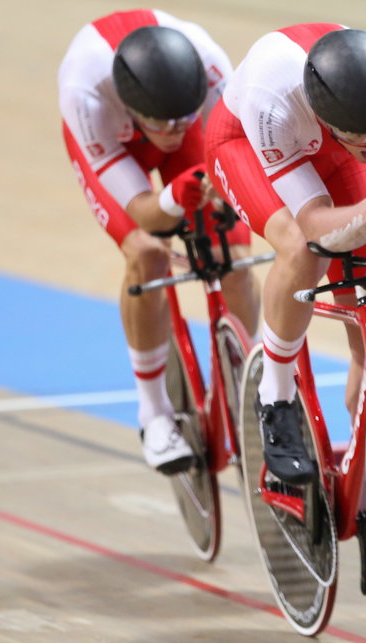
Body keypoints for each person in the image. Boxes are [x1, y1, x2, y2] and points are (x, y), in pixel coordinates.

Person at [205, 24, 366, 485]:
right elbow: (314, 224)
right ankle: (274, 398)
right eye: (362, 133)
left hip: (336, 153)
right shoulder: (271, 97)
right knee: (301, 247)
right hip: (244, 144)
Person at [59, 9, 259, 475]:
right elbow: (146, 212)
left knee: (234, 258)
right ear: (132, 106)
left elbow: (234, 164)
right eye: (161, 122)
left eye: (181, 118)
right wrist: (172, 198)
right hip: (113, 144)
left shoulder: (212, 70)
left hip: (195, 130)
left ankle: (241, 391)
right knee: (147, 253)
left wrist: (219, 193)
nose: (172, 131)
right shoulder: (84, 95)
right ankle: (153, 414)